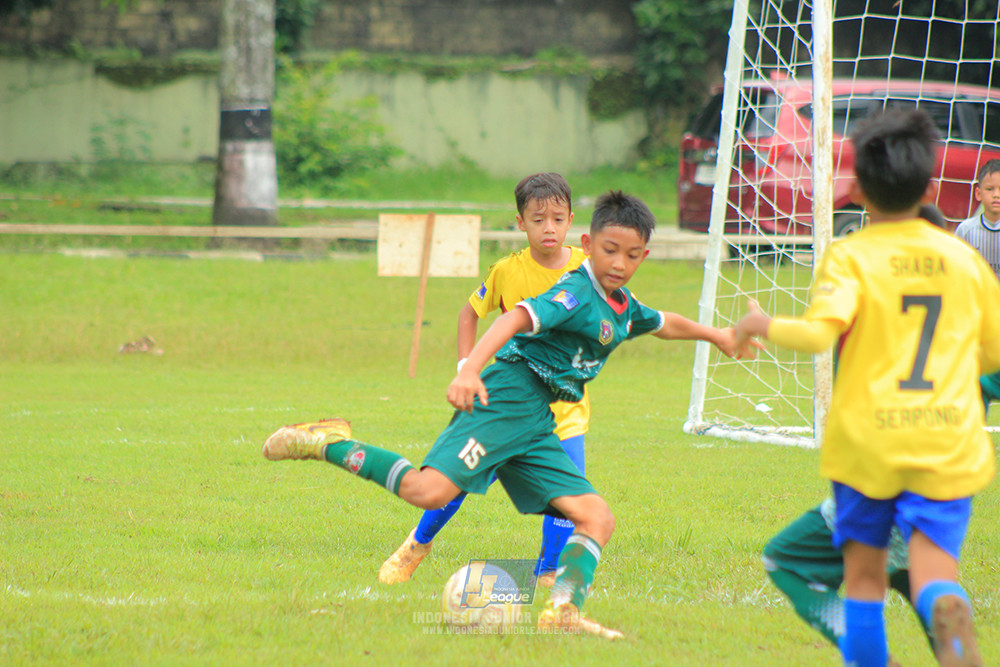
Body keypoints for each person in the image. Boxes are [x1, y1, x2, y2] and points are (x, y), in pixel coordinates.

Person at [262, 190, 756, 639]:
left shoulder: (620, 304)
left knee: (595, 517)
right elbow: (517, 317)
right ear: (588, 244)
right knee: (425, 491)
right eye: (609, 250)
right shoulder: (576, 292)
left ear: (644, 256)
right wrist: (469, 369)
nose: (619, 263)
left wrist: (721, 337)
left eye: (631, 255)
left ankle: (563, 610)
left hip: (538, 418)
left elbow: (664, 322)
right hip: (506, 397)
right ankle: (327, 441)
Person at [736, 108, 1000, 666]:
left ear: (856, 189)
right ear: (931, 185)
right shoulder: (963, 258)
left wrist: (762, 325)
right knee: (932, 576)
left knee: (862, 583)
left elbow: (816, 335)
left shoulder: (851, 256)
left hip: (869, 445)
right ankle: (946, 611)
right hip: (946, 443)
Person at [379, 172, 591, 586]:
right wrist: (466, 368)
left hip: (565, 409)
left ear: (570, 221)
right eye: (537, 219)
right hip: (506, 403)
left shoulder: (588, 270)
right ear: (520, 222)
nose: (548, 228)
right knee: (456, 479)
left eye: (558, 219)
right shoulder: (507, 272)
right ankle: (417, 544)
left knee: (567, 499)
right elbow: (468, 314)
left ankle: (547, 575)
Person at [954, 159, 1000, 412]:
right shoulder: (966, 230)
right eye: (991, 189)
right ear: (978, 193)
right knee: (973, 380)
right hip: (976, 322)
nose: (997, 195)